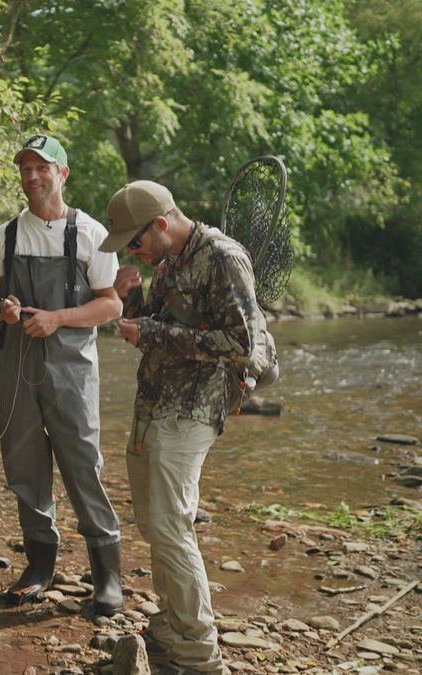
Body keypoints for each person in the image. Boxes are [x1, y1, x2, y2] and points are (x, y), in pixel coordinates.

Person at [99, 180, 266, 675]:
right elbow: (160, 327)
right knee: (154, 524)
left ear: (161, 224)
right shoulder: (166, 263)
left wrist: (150, 332)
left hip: (193, 410)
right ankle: (171, 627)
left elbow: (242, 344)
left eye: (136, 241)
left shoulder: (222, 256)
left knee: (172, 525)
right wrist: (130, 304)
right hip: (152, 403)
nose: (133, 250)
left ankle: (199, 655)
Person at [0, 134, 125, 617]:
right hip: (16, 365)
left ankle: (107, 579)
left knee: (83, 465)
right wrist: (5, 311)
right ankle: (39, 569)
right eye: (25, 169)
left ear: (62, 174)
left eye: (42, 168)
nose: (32, 176)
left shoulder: (91, 234)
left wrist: (58, 318)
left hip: (72, 369)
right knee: (24, 467)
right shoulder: (7, 235)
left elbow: (111, 304)